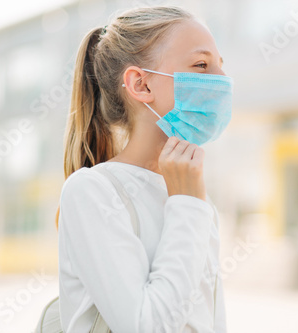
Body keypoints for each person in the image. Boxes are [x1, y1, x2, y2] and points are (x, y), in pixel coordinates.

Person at [57, 5, 233, 333]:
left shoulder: (197, 200)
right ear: (141, 85)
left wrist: (191, 202)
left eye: (221, 67)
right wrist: (188, 205)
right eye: (201, 65)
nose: (222, 81)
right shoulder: (92, 191)